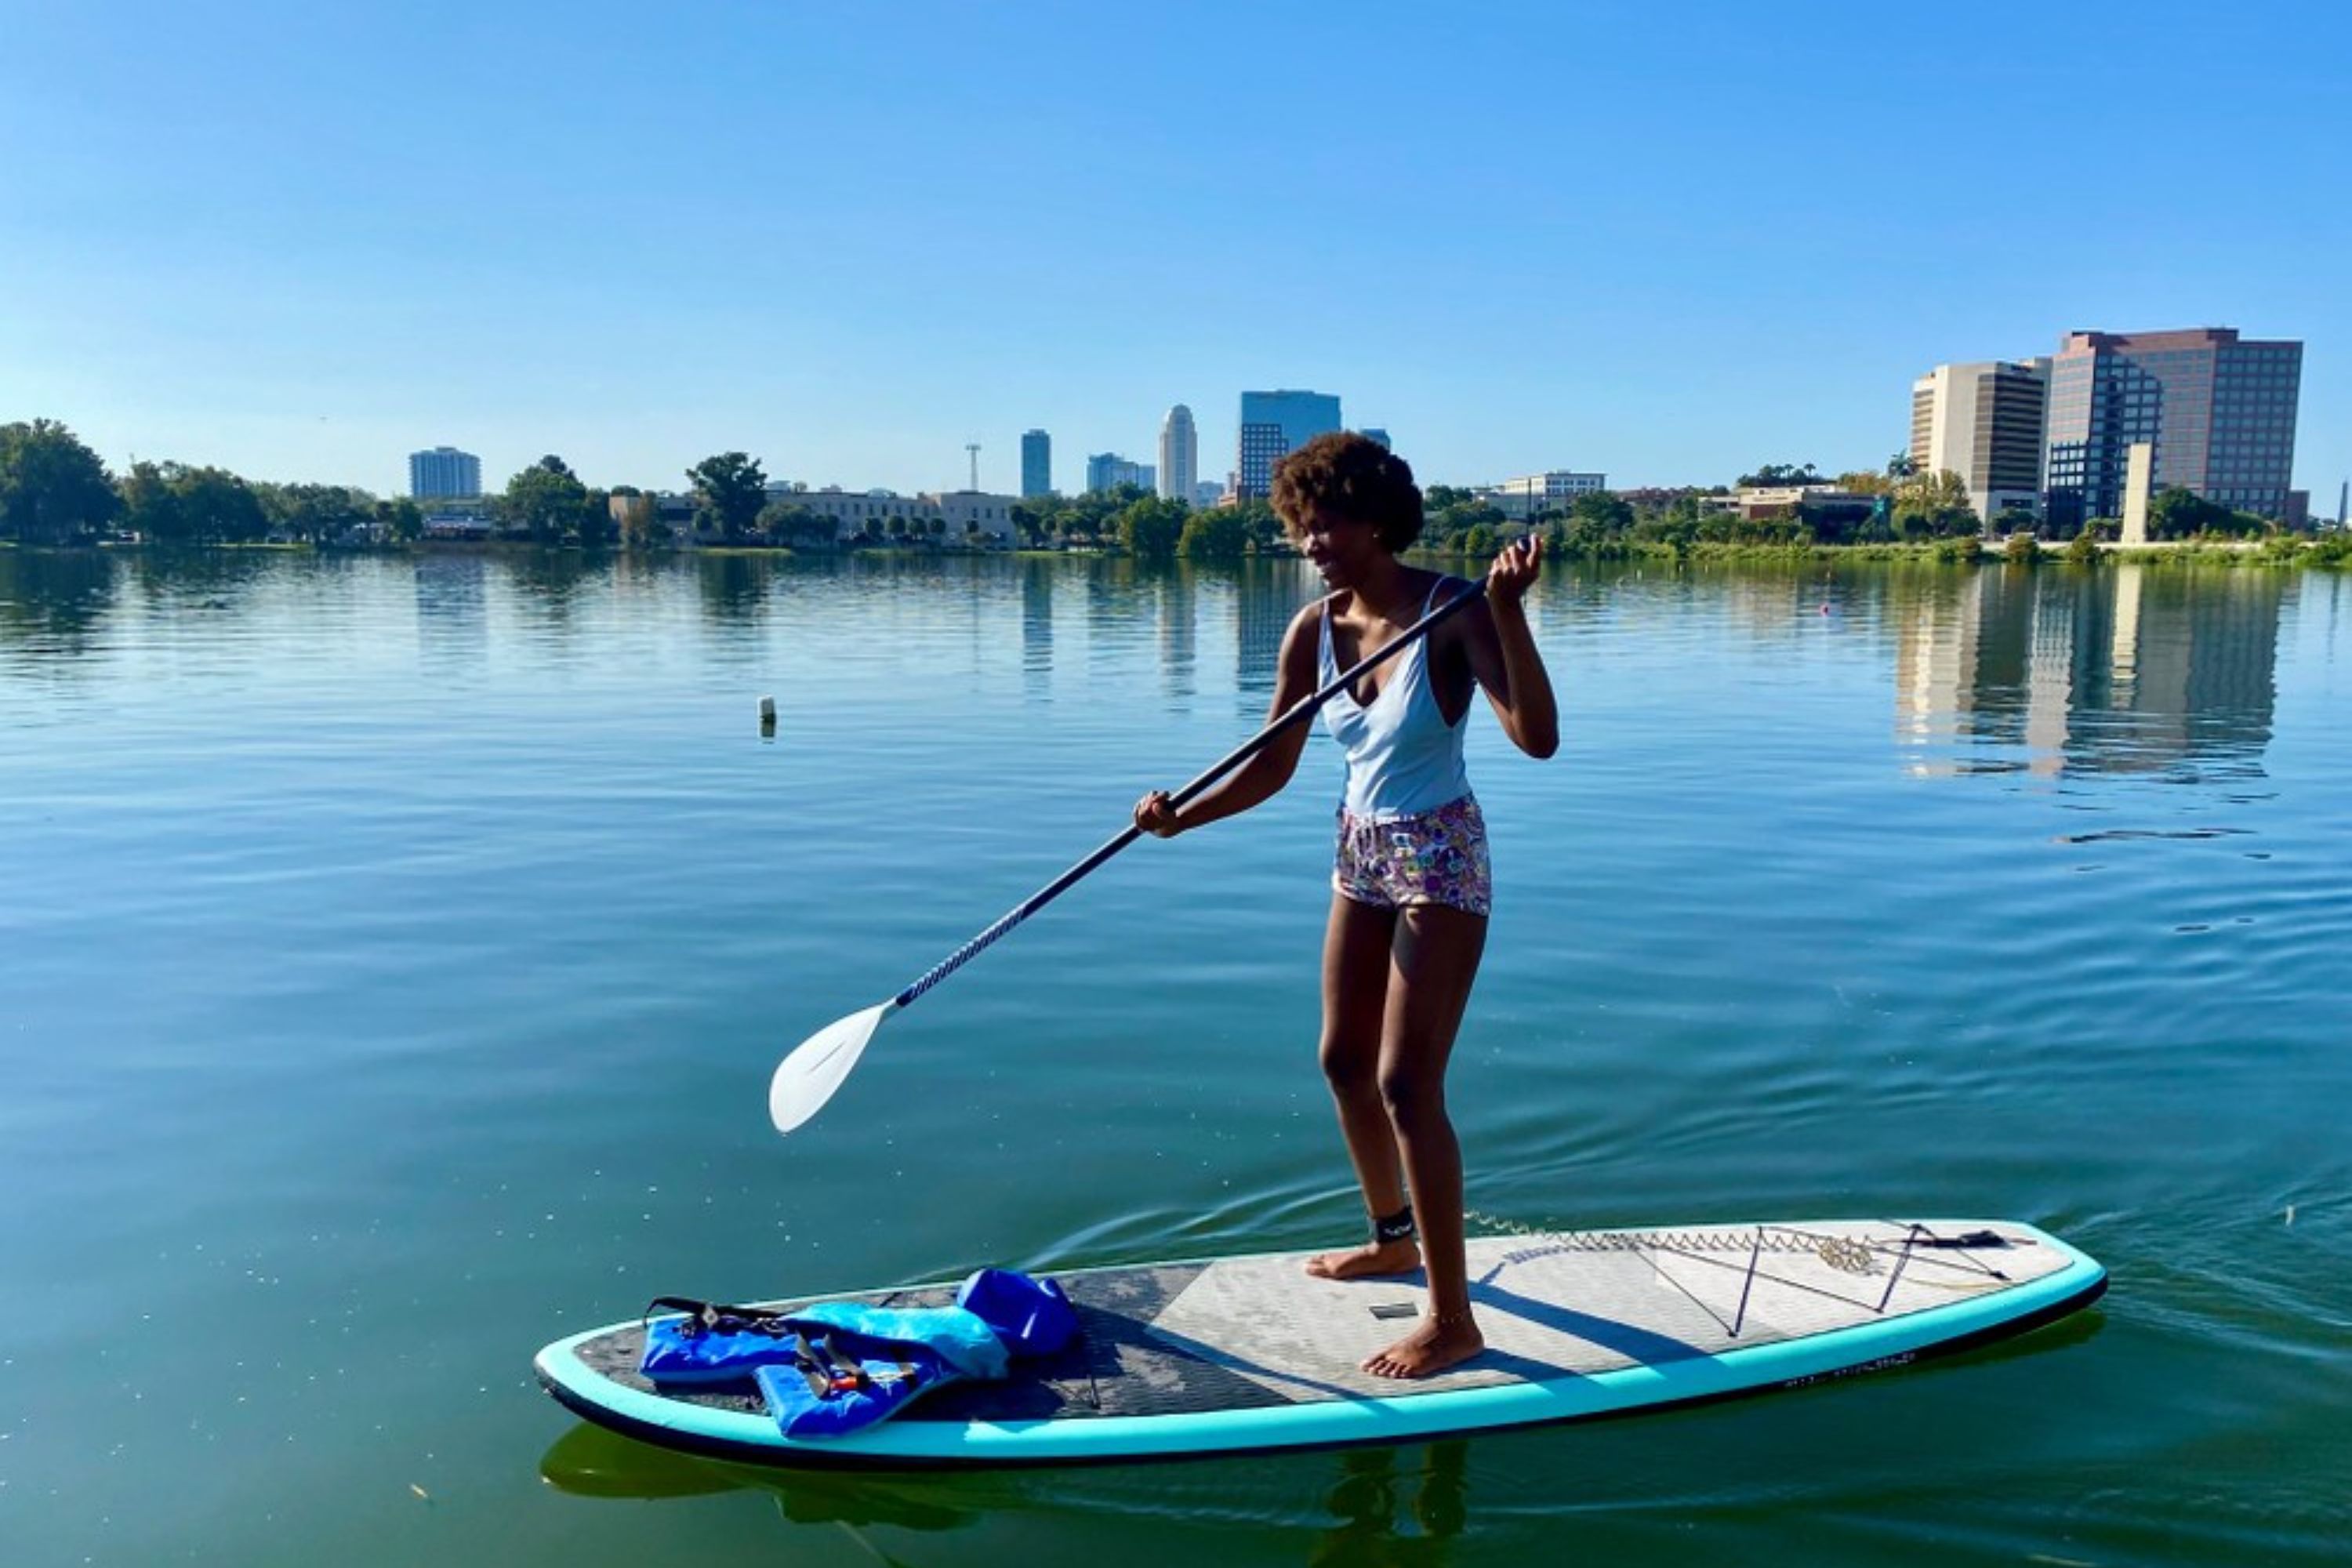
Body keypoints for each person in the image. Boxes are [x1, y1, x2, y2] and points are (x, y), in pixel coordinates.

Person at [1134, 433, 1558, 1379]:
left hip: (1439, 854)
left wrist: (1507, 611)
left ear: (1374, 522)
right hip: (1359, 850)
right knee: (1341, 1059)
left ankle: (1453, 1318)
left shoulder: (1451, 610)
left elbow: (1538, 738)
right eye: (1302, 524)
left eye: (1325, 523)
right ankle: (1392, 1237)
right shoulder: (1311, 629)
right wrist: (1181, 819)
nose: (1310, 540)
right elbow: (1272, 764)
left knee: (1408, 1082)